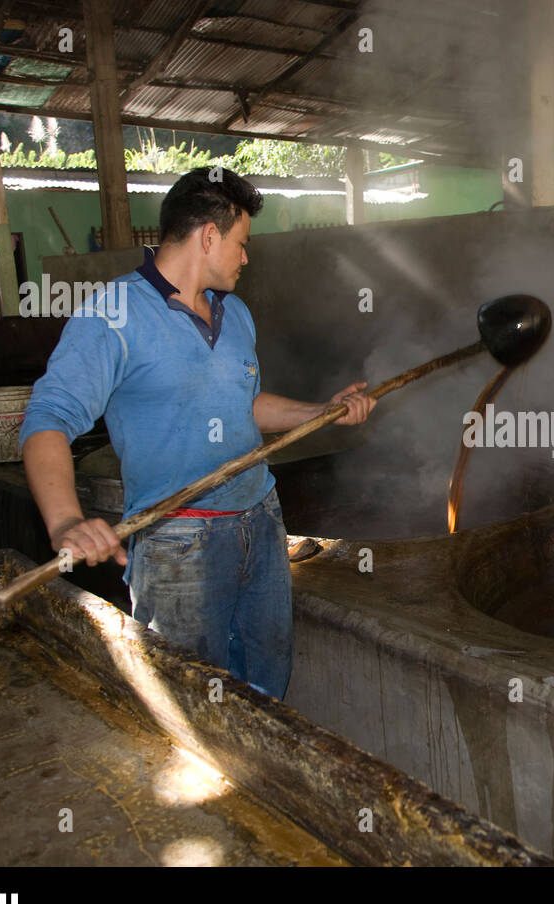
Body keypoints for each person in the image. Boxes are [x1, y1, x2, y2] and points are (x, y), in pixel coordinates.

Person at [19, 167, 375, 700]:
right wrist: (66, 519)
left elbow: (244, 406)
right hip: (178, 541)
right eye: (241, 243)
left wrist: (322, 411)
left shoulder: (236, 315)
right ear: (209, 236)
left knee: (266, 688)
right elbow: (48, 417)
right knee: (187, 701)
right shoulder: (113, 314)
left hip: (261, 521)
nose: (245, 258)